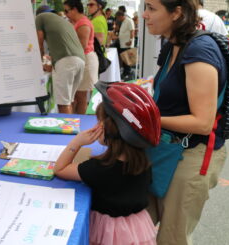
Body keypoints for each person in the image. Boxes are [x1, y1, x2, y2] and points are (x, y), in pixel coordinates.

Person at [142, 0, 227, 244]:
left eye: (152, 8)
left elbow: (203, 122)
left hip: (191, 156)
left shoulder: (200, 51)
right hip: (167, 149)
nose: (144, 14)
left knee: (172, 238)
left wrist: (148, 118)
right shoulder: (173, 45)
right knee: (139, 225)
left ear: (177, 12)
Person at [54, 82, 160, 245]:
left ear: (110, 130)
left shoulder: (100, 169)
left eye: (99, 122)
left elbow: (60, 169)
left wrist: (77, 142)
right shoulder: (143, 161)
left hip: (109, 233)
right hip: (137, 228)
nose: (96, 126)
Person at [35, 5, 85, 114]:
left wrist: (38, 63)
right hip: (80, 61)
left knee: (63, 103)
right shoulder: (64, 22)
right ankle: (73, 128)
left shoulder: (40, 17)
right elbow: (64, 45)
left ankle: (66, 130)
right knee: (70, 101)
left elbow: (38, 43)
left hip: (67, 62)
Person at [64, 0, 98, 114]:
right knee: (77, 96)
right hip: (81, 60)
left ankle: (79, 122)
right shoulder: (78, 22)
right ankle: (76, 121)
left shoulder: (83, 23)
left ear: (74, 10)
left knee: (81, 97)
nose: (65, 14)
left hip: (86, 60)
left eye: (66, 11)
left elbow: (81, 46)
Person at [115, 11, 136, 80]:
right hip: (123, 44)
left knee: (128, 61)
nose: (118, 19)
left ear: (121, 16)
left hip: (127, 44)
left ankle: (128, 74)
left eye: (118, 18)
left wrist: (130, 40)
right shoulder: (123, 21)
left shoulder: (129, 21)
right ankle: (125, 73)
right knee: (124, 60)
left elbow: (132, 31)